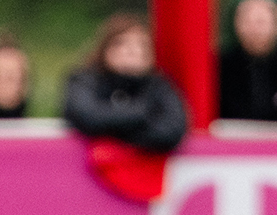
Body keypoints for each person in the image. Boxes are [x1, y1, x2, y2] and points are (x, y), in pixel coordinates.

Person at [62, 15, 188, 153]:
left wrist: (111, 129)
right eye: (121, 43)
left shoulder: (159, 86)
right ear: (105, 49)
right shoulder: (84, 80)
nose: (132, 50)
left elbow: (171, 131)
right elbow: (87, 116)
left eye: (141, 45)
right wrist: (144, 114)